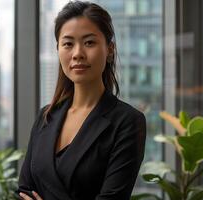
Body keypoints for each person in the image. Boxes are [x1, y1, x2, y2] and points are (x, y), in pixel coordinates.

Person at [17, 1, 146, 200]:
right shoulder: (46, 116)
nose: (77, 54)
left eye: (89, 43)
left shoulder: (127, 121)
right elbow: (24, 190)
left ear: (109, 49)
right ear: (58, 49)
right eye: (68, 44)